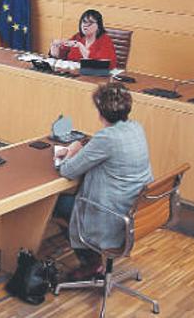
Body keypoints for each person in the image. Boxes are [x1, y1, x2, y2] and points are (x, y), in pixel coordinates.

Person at [53, 83, 153, 280]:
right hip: (134, 211)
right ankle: (91, 256)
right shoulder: (136, 128)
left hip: (111, 216)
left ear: (100, 112)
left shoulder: (106, 138)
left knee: (58, 204)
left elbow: (67, 171)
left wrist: (72, 150)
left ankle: (91, 262)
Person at [49, 9, 118, 67]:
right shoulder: (78, 36)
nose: (85, 25)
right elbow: (62, 55)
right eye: (84, 21)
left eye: (90, 23)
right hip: (73, 75)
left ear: (98, 26)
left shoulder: (105, 40)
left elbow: (100, 65)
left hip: (94, 78)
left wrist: (80, 46)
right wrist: (55, 48)